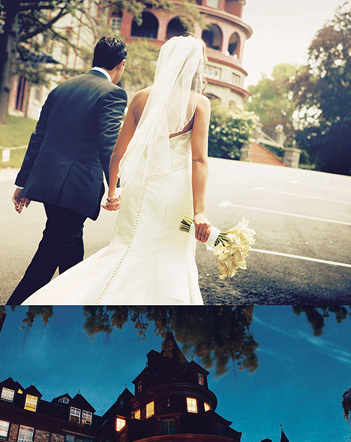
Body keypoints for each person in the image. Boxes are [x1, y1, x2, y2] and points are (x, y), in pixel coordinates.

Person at [22, 34, 213, 305]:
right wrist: (200, 211)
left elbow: (117, 152)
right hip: (174, 191)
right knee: (169, 251)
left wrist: (114, 190)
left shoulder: (140, 97)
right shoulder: (199, 103)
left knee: (125, 246)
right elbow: (198, 160)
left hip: (138, 188)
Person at [5, 37, 128, 305]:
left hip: (49, 185)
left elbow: (38, 136)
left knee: (68, 250)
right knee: (51, 251)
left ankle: (72, 307)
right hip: (76, 189)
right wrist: (114, 186)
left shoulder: (61, 89)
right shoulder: (112, 93)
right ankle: (10, 310)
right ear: (121, 65)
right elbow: (109, 144)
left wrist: (24, 183)